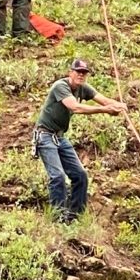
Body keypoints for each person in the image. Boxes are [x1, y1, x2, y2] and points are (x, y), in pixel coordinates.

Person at [34, 59, 126, 223]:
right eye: (78, 72)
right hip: (45, 135)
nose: (81, 75)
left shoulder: (83, 88)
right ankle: (58, 218)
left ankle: (75, 216)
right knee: (57, 176)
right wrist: (105, 110)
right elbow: (74, 107)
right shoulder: (60, 86)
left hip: (59, 136)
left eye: (84, 73)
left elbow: (103, 100)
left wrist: (119, 105)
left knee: (80, 175)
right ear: (70, 73)